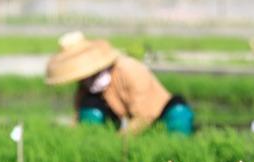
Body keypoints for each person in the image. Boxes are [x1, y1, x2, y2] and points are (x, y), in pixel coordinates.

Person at [45, 31, 194, 135]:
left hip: (159, 114)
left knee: (178, 117)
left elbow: (144, 116)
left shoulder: (129, 69)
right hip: (125, 118)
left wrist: (120, 140)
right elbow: (79, 116)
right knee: (90, 110)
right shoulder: (86, 86)